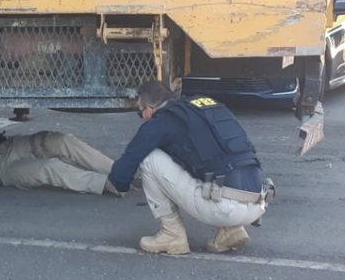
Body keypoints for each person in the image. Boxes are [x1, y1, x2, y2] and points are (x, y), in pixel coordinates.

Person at [108, 80, 272, 255]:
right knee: (209, 163)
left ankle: (172, 234)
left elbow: (120, 176)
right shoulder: (204, 105)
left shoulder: (161, 122)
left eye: (140, 113)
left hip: (226, 208)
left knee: (149, 158)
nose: (143, 118)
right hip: (258, 202)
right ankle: (231, 231)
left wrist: (118, 184)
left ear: (149, 108)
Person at [0, 122, 120, 196]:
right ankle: (106, 184)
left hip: (9, 145)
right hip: (1, 171)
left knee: (62, 140)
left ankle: (120, 172)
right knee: (49, 168)